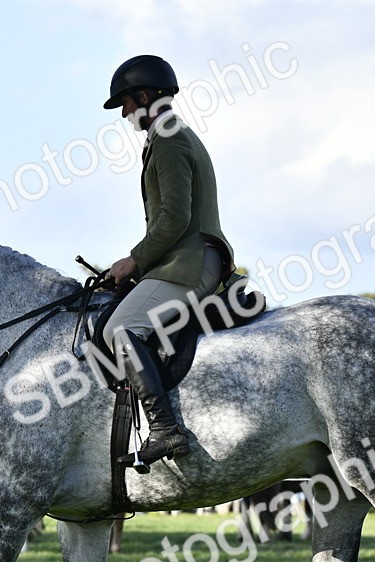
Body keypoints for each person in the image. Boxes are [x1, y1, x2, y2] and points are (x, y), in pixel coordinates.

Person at [101, 54, 234, 471]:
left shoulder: (170, 137)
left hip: (189, 264)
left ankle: (164, 429)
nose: (124, 113)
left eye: (125, 102)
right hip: (182, 260)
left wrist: (133, 261)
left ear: (143, 96)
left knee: (121, 329)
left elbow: (174, 219)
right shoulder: (172, 134)